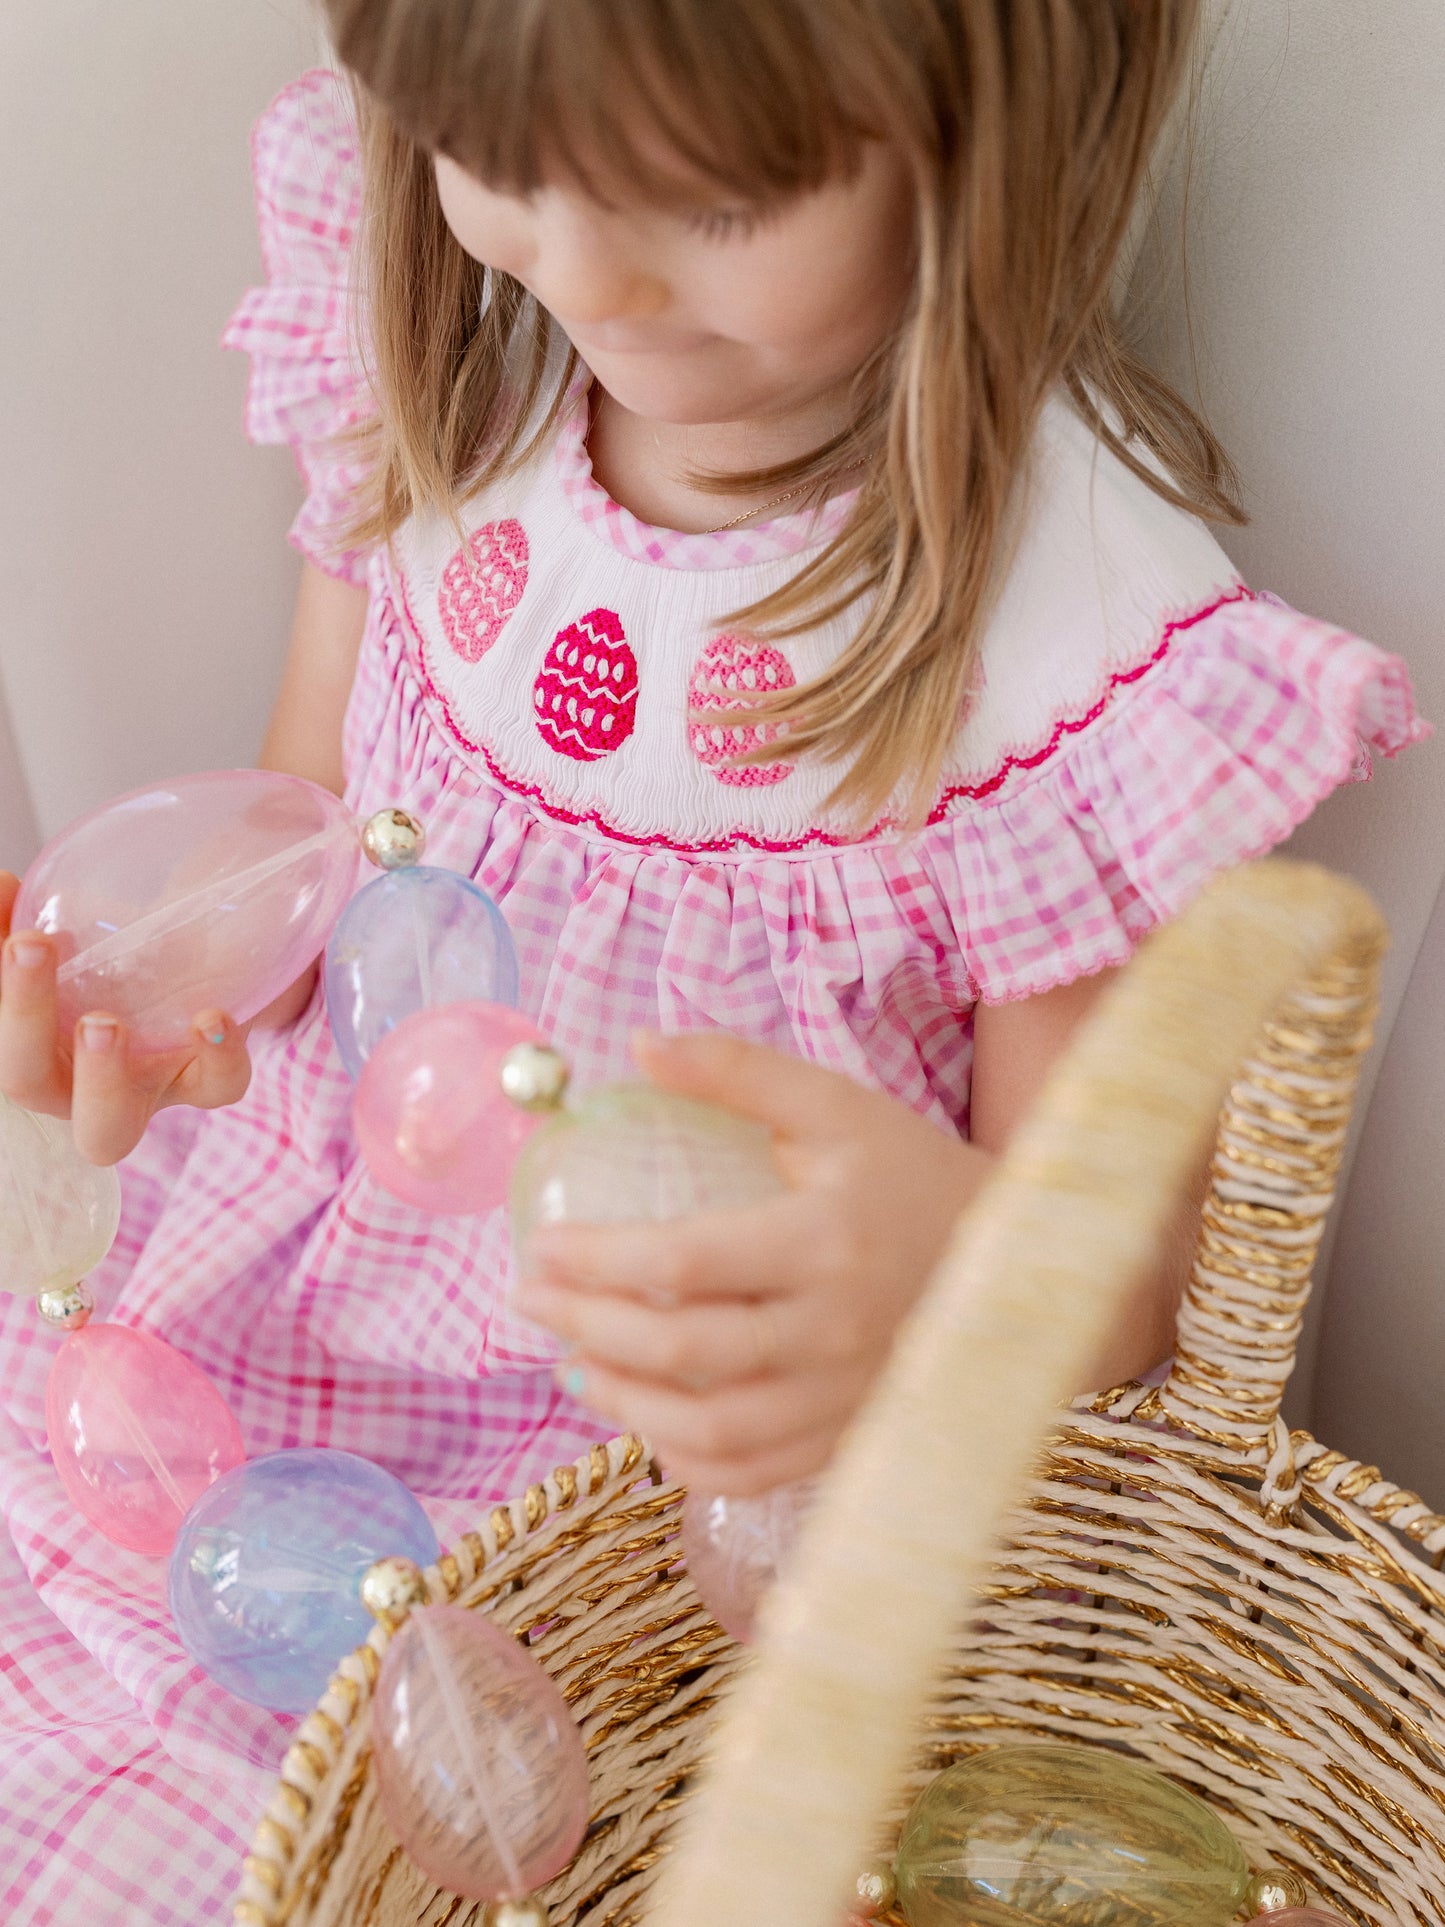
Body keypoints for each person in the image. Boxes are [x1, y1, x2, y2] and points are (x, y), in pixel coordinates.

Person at [0, 3, 1425, 1916]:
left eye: (719, 191)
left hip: (649, 1477)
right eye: (504, 159)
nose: (593, 273)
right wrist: (151, 996)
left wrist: (944, 1259)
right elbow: (312, 834)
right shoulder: (450, 371)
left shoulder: (1046, 630)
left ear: (993, 138)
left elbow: (1111, 1284)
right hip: (259, 1334)